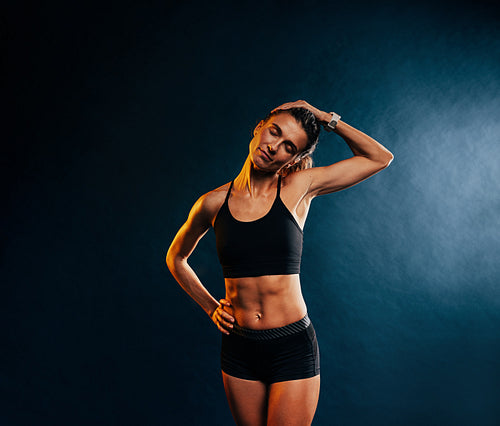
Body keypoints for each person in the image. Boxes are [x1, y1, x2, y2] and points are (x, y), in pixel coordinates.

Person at [166, 100, 394, 425]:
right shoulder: (212, 203)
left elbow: (379, 158)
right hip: (239, 347)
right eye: (274, 132)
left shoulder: (298, 189)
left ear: (295, 158)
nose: (275, 147)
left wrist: (323, 117)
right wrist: (209, 306)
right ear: (259, 128)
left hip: (291, 346)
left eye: (289, 146)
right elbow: (176, 258)